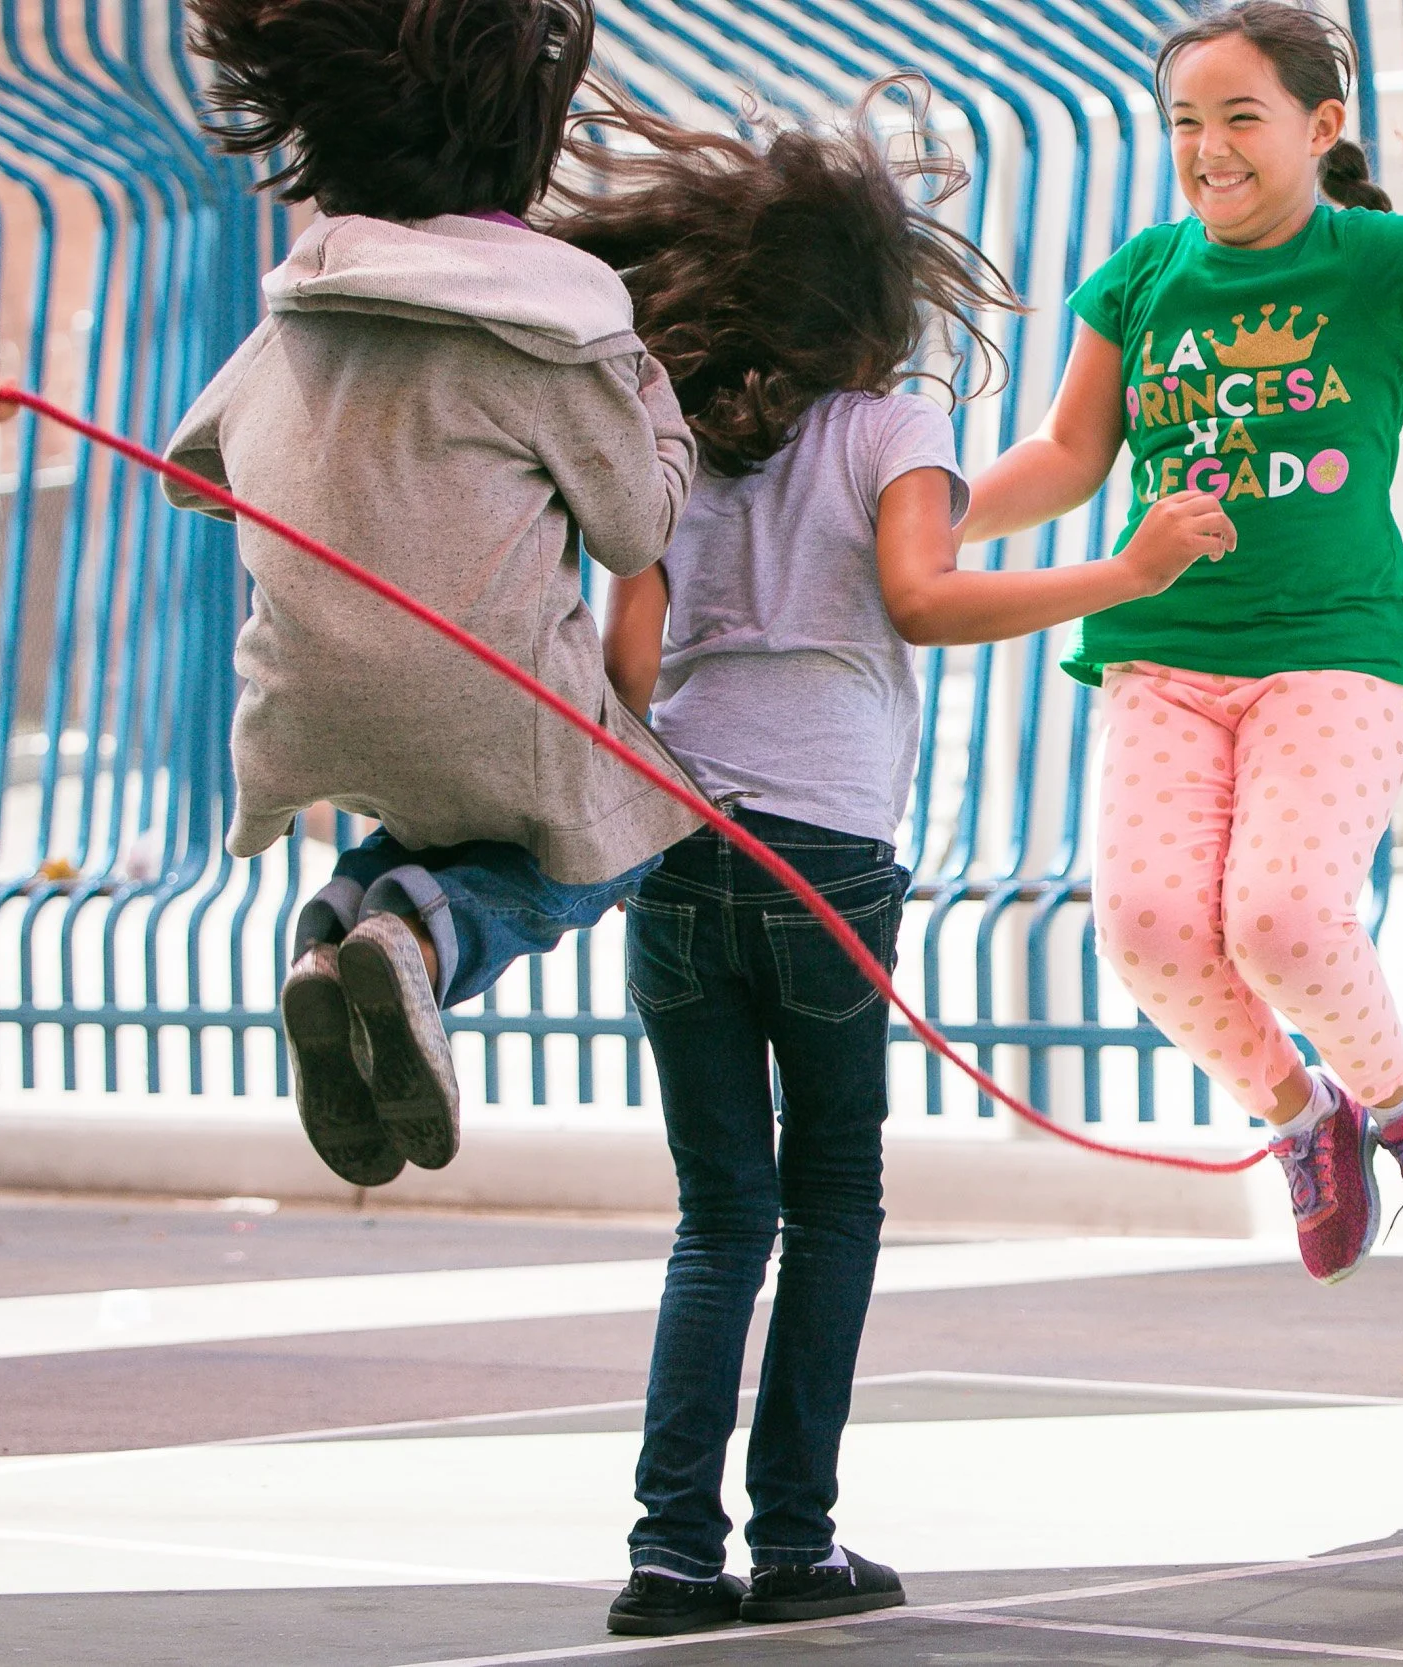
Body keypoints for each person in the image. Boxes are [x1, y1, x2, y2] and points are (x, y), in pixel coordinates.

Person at [568, 85, 1231, 1637]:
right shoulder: (894, 425)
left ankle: (671, 1554)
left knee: (718, 1214)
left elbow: (632, 653)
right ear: (876, 299)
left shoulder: (678, 432)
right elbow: (923, 601)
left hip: (683, 849)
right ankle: (793, 1540)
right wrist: (1124, 570)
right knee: (836, 1199)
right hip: (828, 860)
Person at [963, 0, 1403, 1284]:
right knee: (1151, 927)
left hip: (1331, 650)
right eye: (1184, 123)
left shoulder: (1380, 259)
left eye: (1238, 118)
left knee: (1281, 918)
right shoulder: (1144, 275)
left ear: (1321, 127)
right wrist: (937, 510)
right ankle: (1301, 1117)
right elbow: (1064, 455)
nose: (1207, 147)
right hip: (1161, 650)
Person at [164, 0, 703, 1188]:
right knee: (613, 839)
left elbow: (193, 473)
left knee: (444, 814)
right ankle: (419, 936)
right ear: (524, 139)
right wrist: (658, 411)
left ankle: (334, 938)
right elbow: (632, 527)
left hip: (301, 707)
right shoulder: (556, 325)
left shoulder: (297, 305)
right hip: (492, 707)